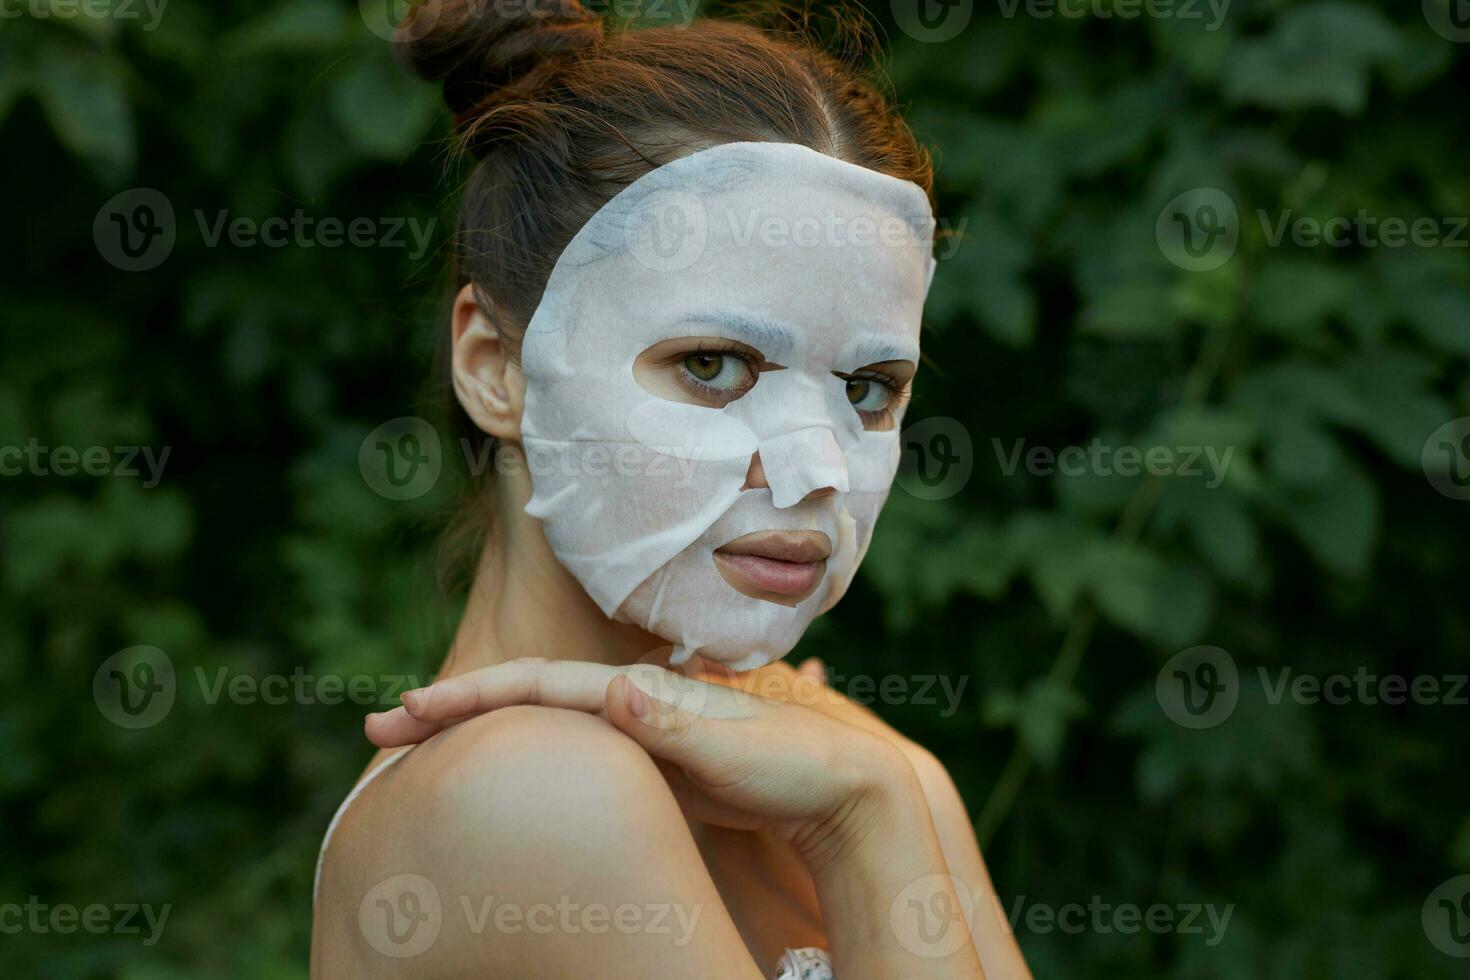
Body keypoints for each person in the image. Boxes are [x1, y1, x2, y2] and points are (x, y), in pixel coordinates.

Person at [311, 2, 1031, 977]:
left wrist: (886, 796)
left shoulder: (837, 754)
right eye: (713, 367)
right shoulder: (535, 792)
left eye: (867, 391)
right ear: (495, 367)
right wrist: (872, 821)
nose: (817, 469)